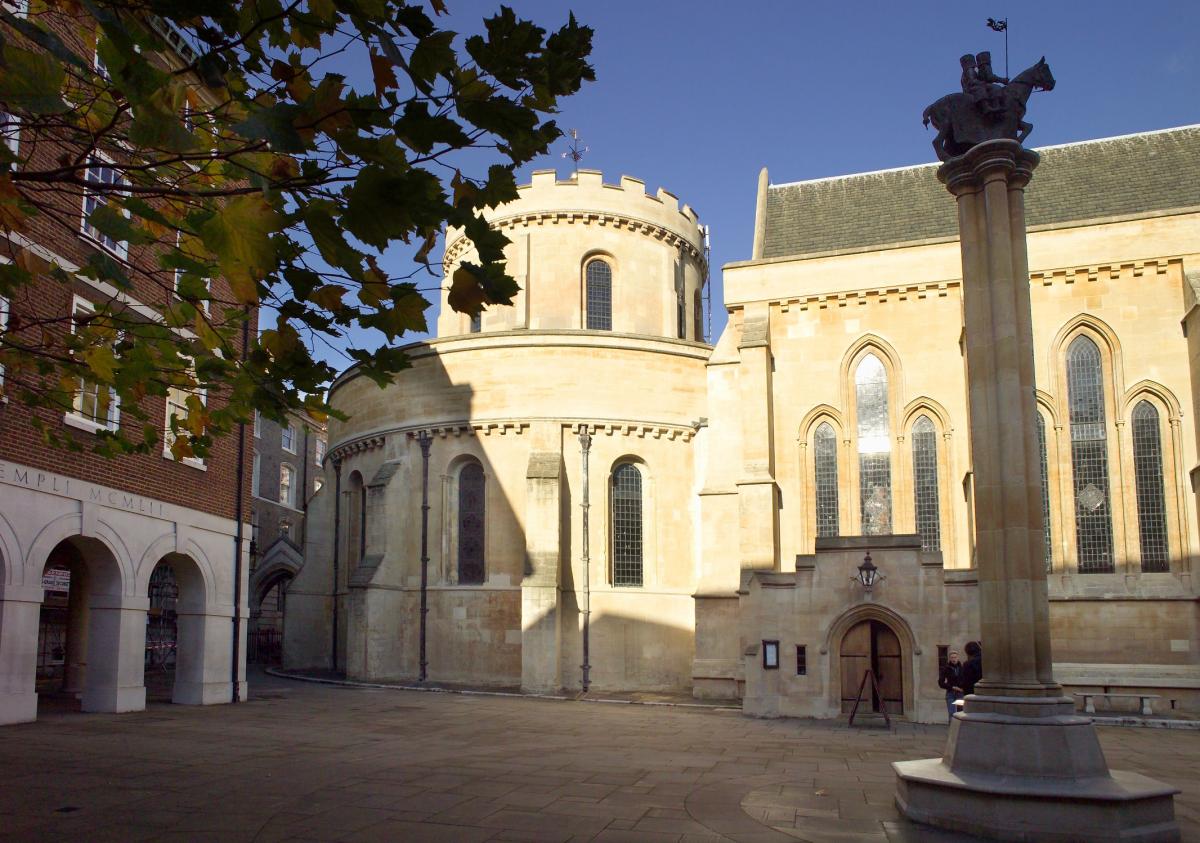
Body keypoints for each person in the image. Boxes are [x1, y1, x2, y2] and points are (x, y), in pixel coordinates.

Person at [938, 650, 965, 719]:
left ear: (958, 658)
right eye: (952, 658)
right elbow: (941, 682)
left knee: (960, 713)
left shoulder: (962, 668)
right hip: (950, 693)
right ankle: (952, 729)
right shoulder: (946, 669)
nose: (954, 659)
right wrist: (952, 687)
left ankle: (959, 729)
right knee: (952, 713)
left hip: (960, 693)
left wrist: (963, 688)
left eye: (955, 657)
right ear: (950, 659)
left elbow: (966, 680)